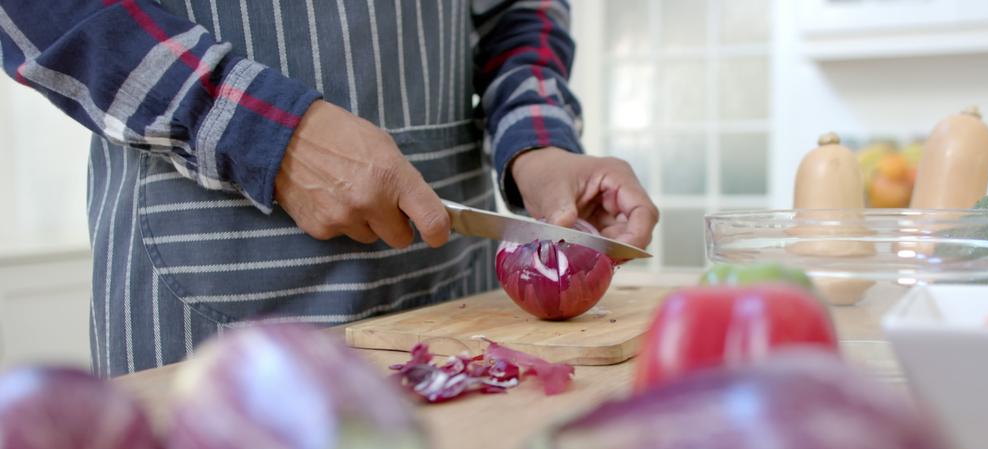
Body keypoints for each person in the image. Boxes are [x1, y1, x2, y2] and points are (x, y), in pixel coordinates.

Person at [0, 0, 658, 376]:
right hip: (208, 291)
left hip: (456, 293)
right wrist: (261, 132)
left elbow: (519, 10)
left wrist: (538, 141)